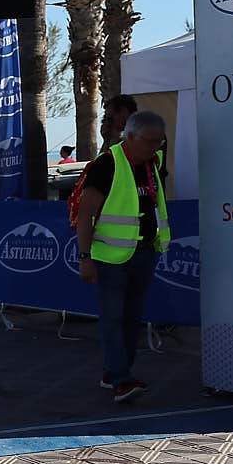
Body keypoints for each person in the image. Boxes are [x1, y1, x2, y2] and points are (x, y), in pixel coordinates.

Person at [75, 111, 169, 404]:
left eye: (160, 141)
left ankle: (114, 373)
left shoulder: (153, 163)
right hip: (110, 258)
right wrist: (85, 257)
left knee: (132, 318)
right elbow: (86, 213)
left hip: (144, 252)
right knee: (113, 318)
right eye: (149, 141)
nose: (155, 147)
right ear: (130, 137)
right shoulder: (108, 163)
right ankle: (121, 379)